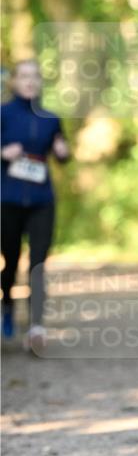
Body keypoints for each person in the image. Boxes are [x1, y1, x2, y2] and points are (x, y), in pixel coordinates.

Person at [1, 59, 70, 352]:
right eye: (24, 76)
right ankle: (6, 301)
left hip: (42, 200)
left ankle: (36, 328)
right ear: (14, 81)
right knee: (12, 259)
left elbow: (62, 151)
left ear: (41, 82)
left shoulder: (50, 118)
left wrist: (63, 151)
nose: (30, 82)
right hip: (8, 199)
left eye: (35, 77)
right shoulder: (3, 114)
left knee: (38, 264)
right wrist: (3, 152)